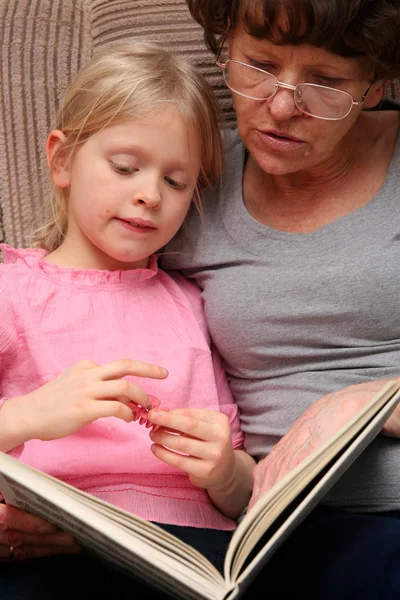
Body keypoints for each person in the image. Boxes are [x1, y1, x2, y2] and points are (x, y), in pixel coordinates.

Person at [161, 0, 400, 598]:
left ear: (375, 86)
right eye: (259, 65)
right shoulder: (183, 180)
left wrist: (370, 405)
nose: (281, 106)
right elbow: (74, 304)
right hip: (258, 527)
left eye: (325, 81)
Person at [0, 41, 256, 599]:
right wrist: (25, 416)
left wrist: (226, 472)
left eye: (175, 181)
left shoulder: (191, 303)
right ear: (62, 160)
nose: (148, 195)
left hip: (190, 550)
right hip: (55, 543)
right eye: (125, 167)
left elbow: (238, 489)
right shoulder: (12, 291)